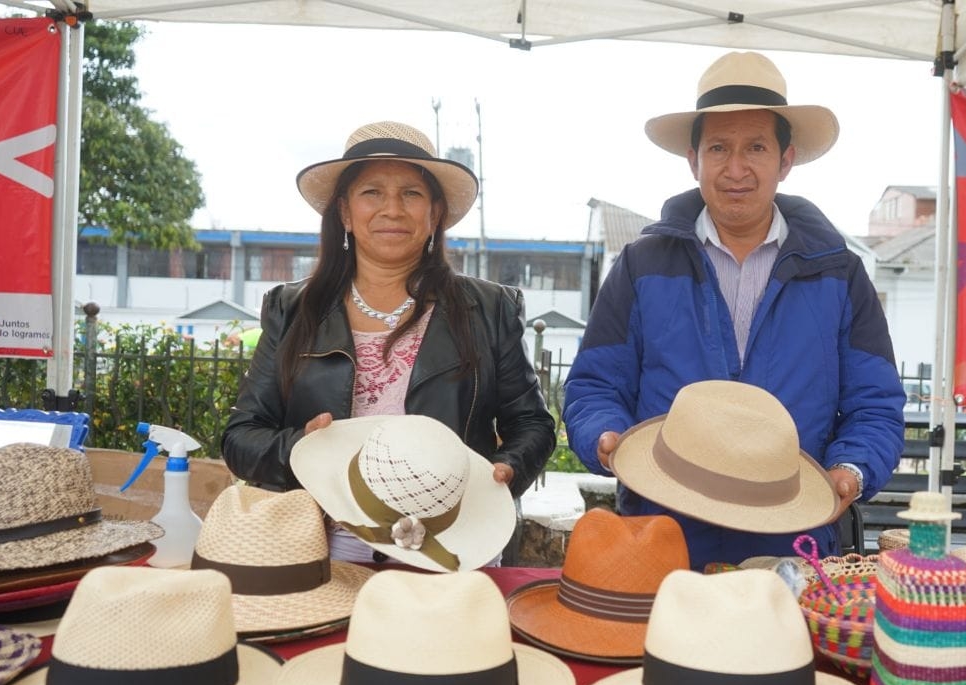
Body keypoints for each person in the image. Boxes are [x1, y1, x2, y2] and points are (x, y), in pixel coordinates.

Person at [563, 51, 905, 569]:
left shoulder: (839, 275)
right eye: (719, 148)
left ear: (785, 160)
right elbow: (594, 386)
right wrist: (605, 435)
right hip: (661, 536)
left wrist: (852, 469)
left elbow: (875, 405)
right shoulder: (641, 265)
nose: (736, 169)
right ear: (693, 159)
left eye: (756, 148)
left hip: (791, 544)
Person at [222, 120, 556, 560]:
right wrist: (302, 447)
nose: (393, 209)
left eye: (411, 193)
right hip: (318, 544)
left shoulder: (489, 310)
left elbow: (532, 425)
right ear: (345, 212)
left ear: (435, 213)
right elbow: (242, 437)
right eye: (372, 192)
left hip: (451, 542)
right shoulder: (292, 310)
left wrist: (506, 469)